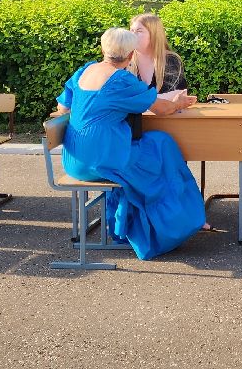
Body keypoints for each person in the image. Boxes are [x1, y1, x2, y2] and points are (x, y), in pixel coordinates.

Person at [55, 28, 204, 260]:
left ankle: (124, 221)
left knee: (153, 145)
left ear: (103, 49)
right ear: (131, 54)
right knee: (162, 144)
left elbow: (63, 108)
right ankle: (172, 224)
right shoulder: (121, 80)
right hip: (103, 160)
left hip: (74, 161)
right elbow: (161, 109)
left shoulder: (85, 70)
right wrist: (178, 102)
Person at [128, 13, 184, 93]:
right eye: (131, 30)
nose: (132, 35)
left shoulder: (170, 60)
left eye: (139, 31)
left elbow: (175, 95)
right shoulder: (125, 60)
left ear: (154, 35)